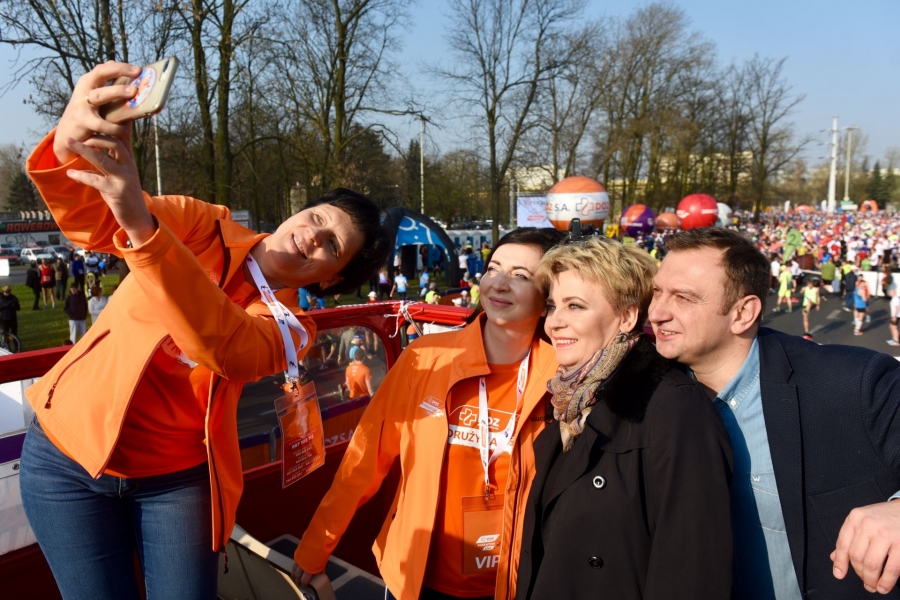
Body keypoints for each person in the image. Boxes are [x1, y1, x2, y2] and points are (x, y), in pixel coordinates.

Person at [18, 61, 392, 600]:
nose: (313, 235)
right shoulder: (201, 223)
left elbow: (224, 346)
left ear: (331, 278)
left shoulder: (293, 330)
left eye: (332, 245)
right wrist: (69, 147)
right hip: (64, 456)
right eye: (317, 217)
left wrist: (143, 230)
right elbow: (94, 221)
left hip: (175, 482)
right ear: (299, 211)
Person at [292, 228, 567, 600]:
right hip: (416, 577)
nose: (499, 283)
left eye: (521, 275)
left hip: (517, 581)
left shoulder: (564, 378)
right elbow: (364, 459)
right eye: (494, 269)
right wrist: (316, 546)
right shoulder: (424, 358)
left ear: (548, 298)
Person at [649, 226, 900, 599]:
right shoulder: (642, 392)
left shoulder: (853, 382)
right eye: (657, 292)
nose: (656, 313)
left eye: (683, 298)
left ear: (743, 313)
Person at [516, 236, 733, 599]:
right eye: (553, 306)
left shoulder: (672, 406)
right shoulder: (568, 401)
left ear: (628, 316)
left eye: (575, 306)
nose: (554, 323)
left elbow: (692, 564)